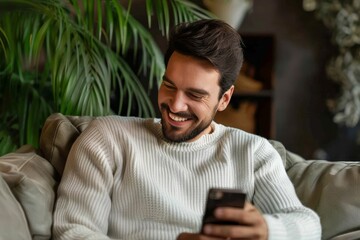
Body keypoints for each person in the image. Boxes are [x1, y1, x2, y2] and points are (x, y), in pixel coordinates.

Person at [53, 19, 321, 240]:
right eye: (169, 85)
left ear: (224, 99)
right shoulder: (107, 138)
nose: (175, 105)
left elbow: (308, 225)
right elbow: (73, 232)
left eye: (195, 95)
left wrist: (267, 231)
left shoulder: (253, 152)